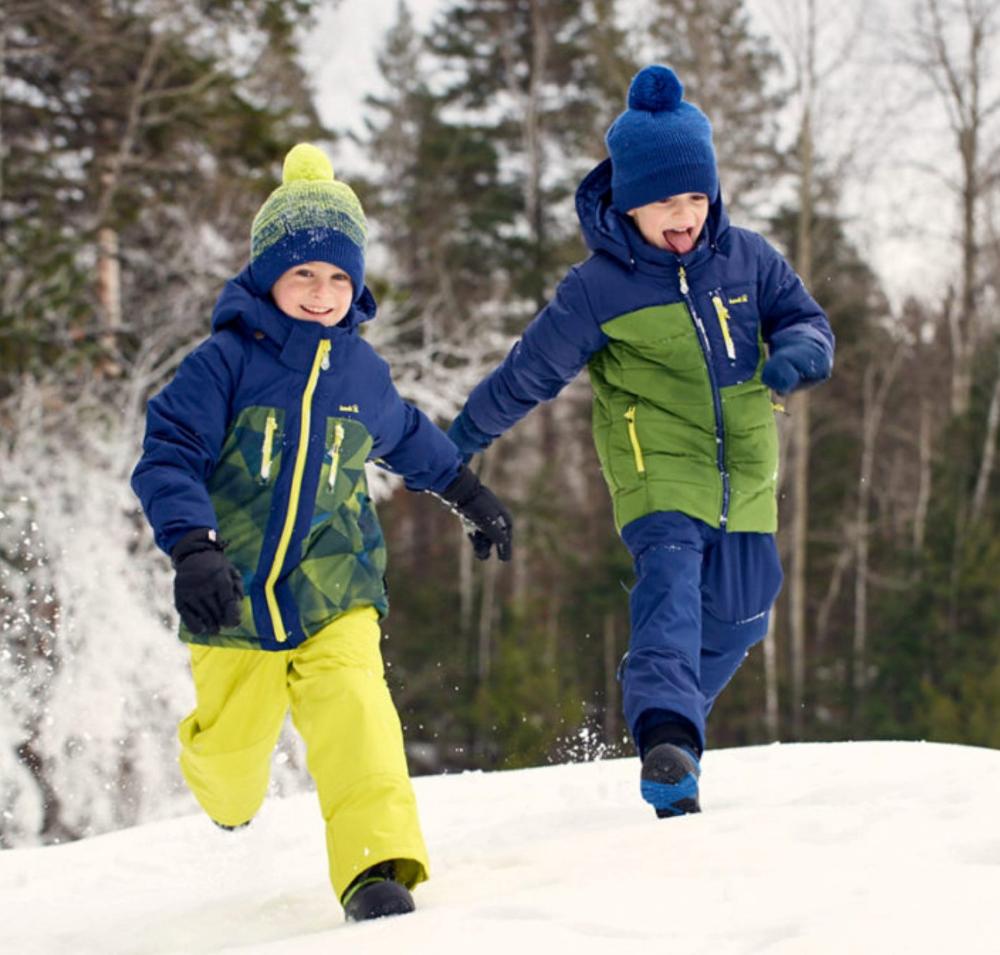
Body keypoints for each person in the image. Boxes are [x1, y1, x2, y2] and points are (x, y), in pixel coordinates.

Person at [131, 143, 512, 920]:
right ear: (268, 273)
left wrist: (470, 494)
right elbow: (168, 452)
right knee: (235, 770)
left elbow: (408, 436)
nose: (322, 292)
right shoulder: (223, 363)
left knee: (359, 714)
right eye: (304, 273)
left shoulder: (360, 374)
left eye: (339, 277)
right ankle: (216, 775)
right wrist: (194, 547)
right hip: (232, 599)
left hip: (335, 583)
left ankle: (378, 869)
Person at [447, 65, 833, 818]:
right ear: (629, 204)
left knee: (750, 607)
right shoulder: (599, 287)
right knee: (672, 590)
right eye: (664, 201)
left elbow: (807, 319)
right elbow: (528, 373)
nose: (683, 214)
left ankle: (669, 697)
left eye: (695, 196)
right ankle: (668, 742)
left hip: (748, 472)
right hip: (656, 471)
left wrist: (797, 354)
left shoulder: (749, 258)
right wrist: (459, 439)